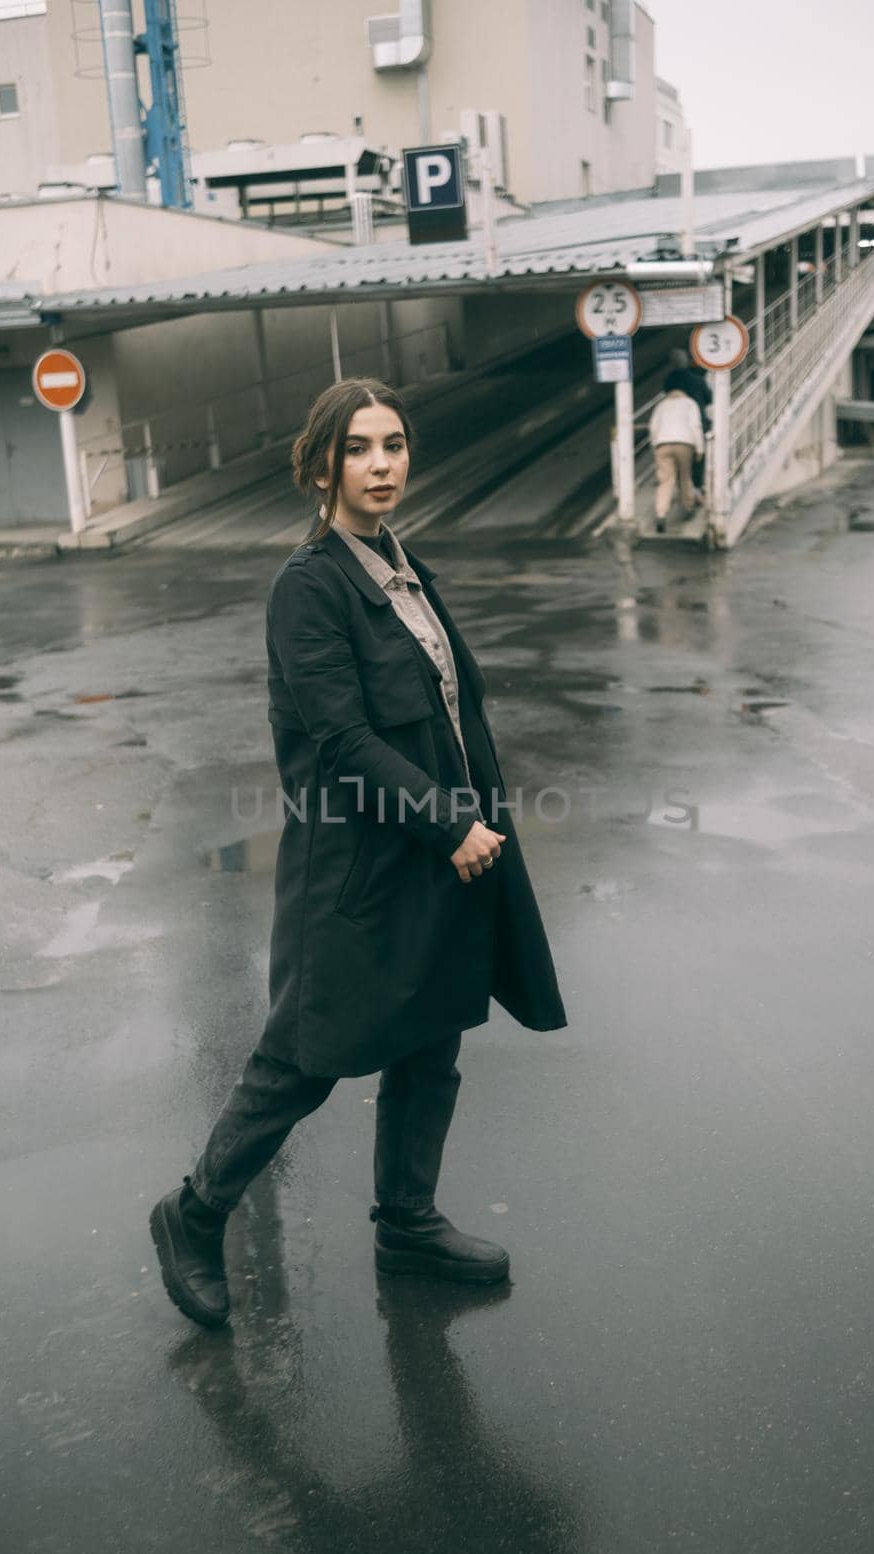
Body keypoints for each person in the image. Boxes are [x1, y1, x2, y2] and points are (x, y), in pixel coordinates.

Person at [150, 376, 568, 1328]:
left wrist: (467, 823)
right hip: (357, 867)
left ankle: (407, 1222)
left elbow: (449, 716)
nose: (381, 464)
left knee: (433, 1038)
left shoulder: (398, 563)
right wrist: (447, 823)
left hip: (435, 851)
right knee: (304, 1057)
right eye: (358, 448)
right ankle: (195, 1213)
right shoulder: (310, 587)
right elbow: (340, 741)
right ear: (322, 465)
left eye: (393, 445)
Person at [648, 382, 705, 533]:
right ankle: (687, 506)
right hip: (684, 443)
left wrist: (655, 445)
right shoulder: (690, 403)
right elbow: (695, 425)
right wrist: (700, 448)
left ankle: (661, 514)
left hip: (663, 443)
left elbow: (653, 427)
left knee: (665, 480)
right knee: (685, 476)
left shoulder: (662, 405)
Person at [661, 347, 712, 503]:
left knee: (680, 462)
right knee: (698, 455)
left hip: (675, 426)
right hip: (697, 423)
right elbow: (709, 398)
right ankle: (698, 487)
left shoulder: (669, 380)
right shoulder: (697, 379)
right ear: (687, 361)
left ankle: (684, 490)